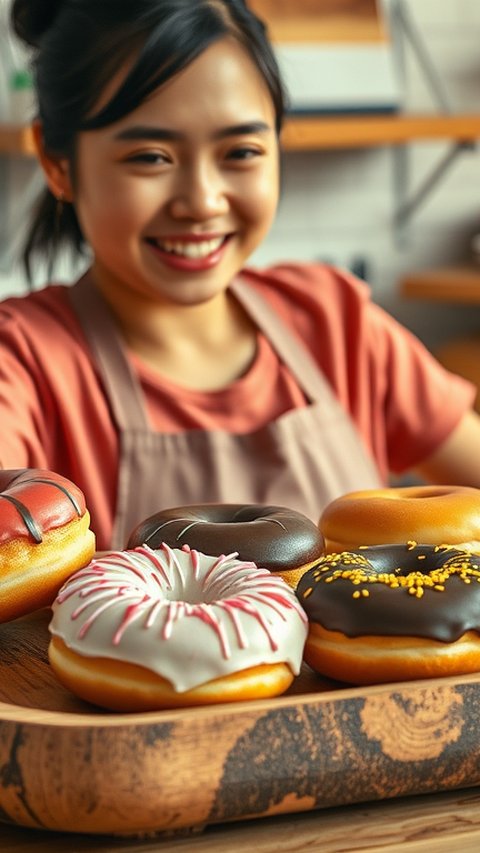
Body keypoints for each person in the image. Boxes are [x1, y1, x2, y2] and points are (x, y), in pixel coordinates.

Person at [2, 0, 480, 551]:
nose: (202, 202)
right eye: (151, 157)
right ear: (58, 162)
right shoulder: (23, 360)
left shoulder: (334, 321)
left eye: (242, 151)